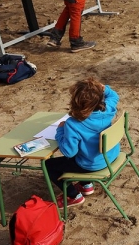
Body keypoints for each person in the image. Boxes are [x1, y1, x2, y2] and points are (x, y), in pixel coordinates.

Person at [45, 78, 119, 208]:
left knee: (48, 165)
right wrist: (104, 88)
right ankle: (86, 184)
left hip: (92, 164)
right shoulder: (108, 109)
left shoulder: (73, 124)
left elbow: (69, 152)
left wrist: (61, 131)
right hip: (110, 155)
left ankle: (73, 196)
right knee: (84, 150)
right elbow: (114, 95)